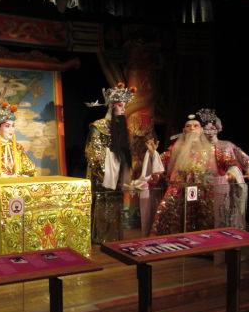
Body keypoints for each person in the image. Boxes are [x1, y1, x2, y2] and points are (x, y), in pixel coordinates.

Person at [144, 114, 240, 235]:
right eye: (188, 126)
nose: (192, 128)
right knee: (169, 219)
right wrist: (153, 154)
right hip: (177, 192)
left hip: (203, 193)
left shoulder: (212, 149)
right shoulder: (175, 149)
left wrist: (231, 172)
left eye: (195, 126)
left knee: (204, 222)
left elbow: (230, 162)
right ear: (184, 130)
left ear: (201, 130)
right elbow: (160, 165)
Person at [85, 82, 135, 242]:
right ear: (111, 106)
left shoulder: (122, 129)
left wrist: (123, 173)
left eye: (124, 106)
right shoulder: (98, 126)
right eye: (120, 106)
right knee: (102, 203)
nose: (123, 110)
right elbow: (94, 152)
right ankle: (100, 237)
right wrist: (105, 173)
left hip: (117, 174)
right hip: (102, 174)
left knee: (116, 205)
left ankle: (114, 236)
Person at [196, 108, 249, 229]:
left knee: (223, 213)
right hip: (202, 185)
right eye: (207, 129)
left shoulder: (227, 145)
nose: (210, 132)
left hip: (223, 184)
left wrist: (248, 170)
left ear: (218, 129)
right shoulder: (198, 148)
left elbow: (246, 159)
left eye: (213, 128)